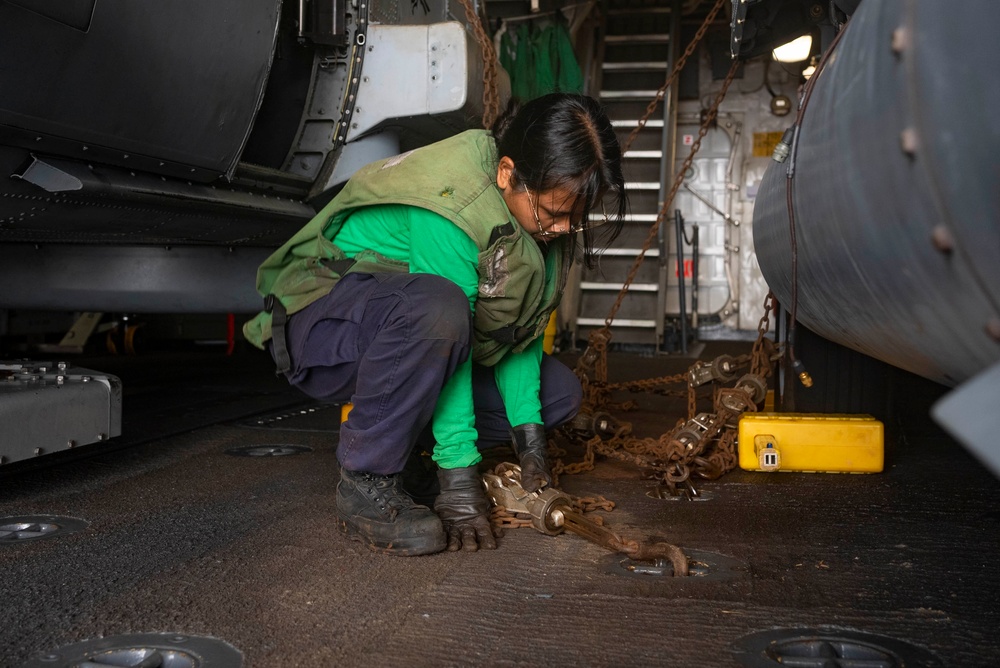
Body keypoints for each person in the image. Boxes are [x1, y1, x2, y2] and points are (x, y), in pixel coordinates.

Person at [243, 93, 626, 556]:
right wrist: (460, 480)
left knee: (558, 394)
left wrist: (531, 441)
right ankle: (366, 478)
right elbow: (448, 330)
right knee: (439, 307)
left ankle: (404, 454)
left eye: (575, 218)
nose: (564, 229)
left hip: (411, 334)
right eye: (553, 214)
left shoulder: (537, 226)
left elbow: (517, 337)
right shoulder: (453, 202)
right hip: (326, 328)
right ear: (507, 173)